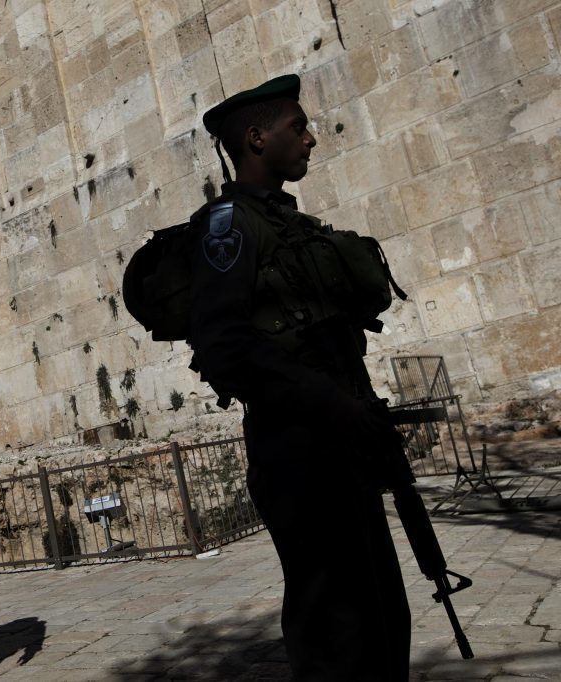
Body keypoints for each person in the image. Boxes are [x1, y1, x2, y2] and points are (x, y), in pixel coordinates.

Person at [189, 75, 411, 680]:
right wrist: (325, 402)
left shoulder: (289, 225)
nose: (311, 138)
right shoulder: (230, 227)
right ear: (258, 138)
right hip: (299, 457)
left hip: (344, 447)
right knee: (336, 636)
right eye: (297, 128)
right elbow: (223, 343)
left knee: (382, 618)